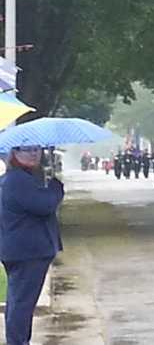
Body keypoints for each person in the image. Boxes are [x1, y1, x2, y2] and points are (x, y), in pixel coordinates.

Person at [0, 146, 64, 345]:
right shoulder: (18, 180)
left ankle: (17, 340)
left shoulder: (18, 178)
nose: (33, 154)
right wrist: (56, 187)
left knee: (18, 301)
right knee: (22, 304)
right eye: (26, 150)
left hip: (21, 249)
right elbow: (44, 205)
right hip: (28, 250)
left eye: (37, 149)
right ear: (14, 154)